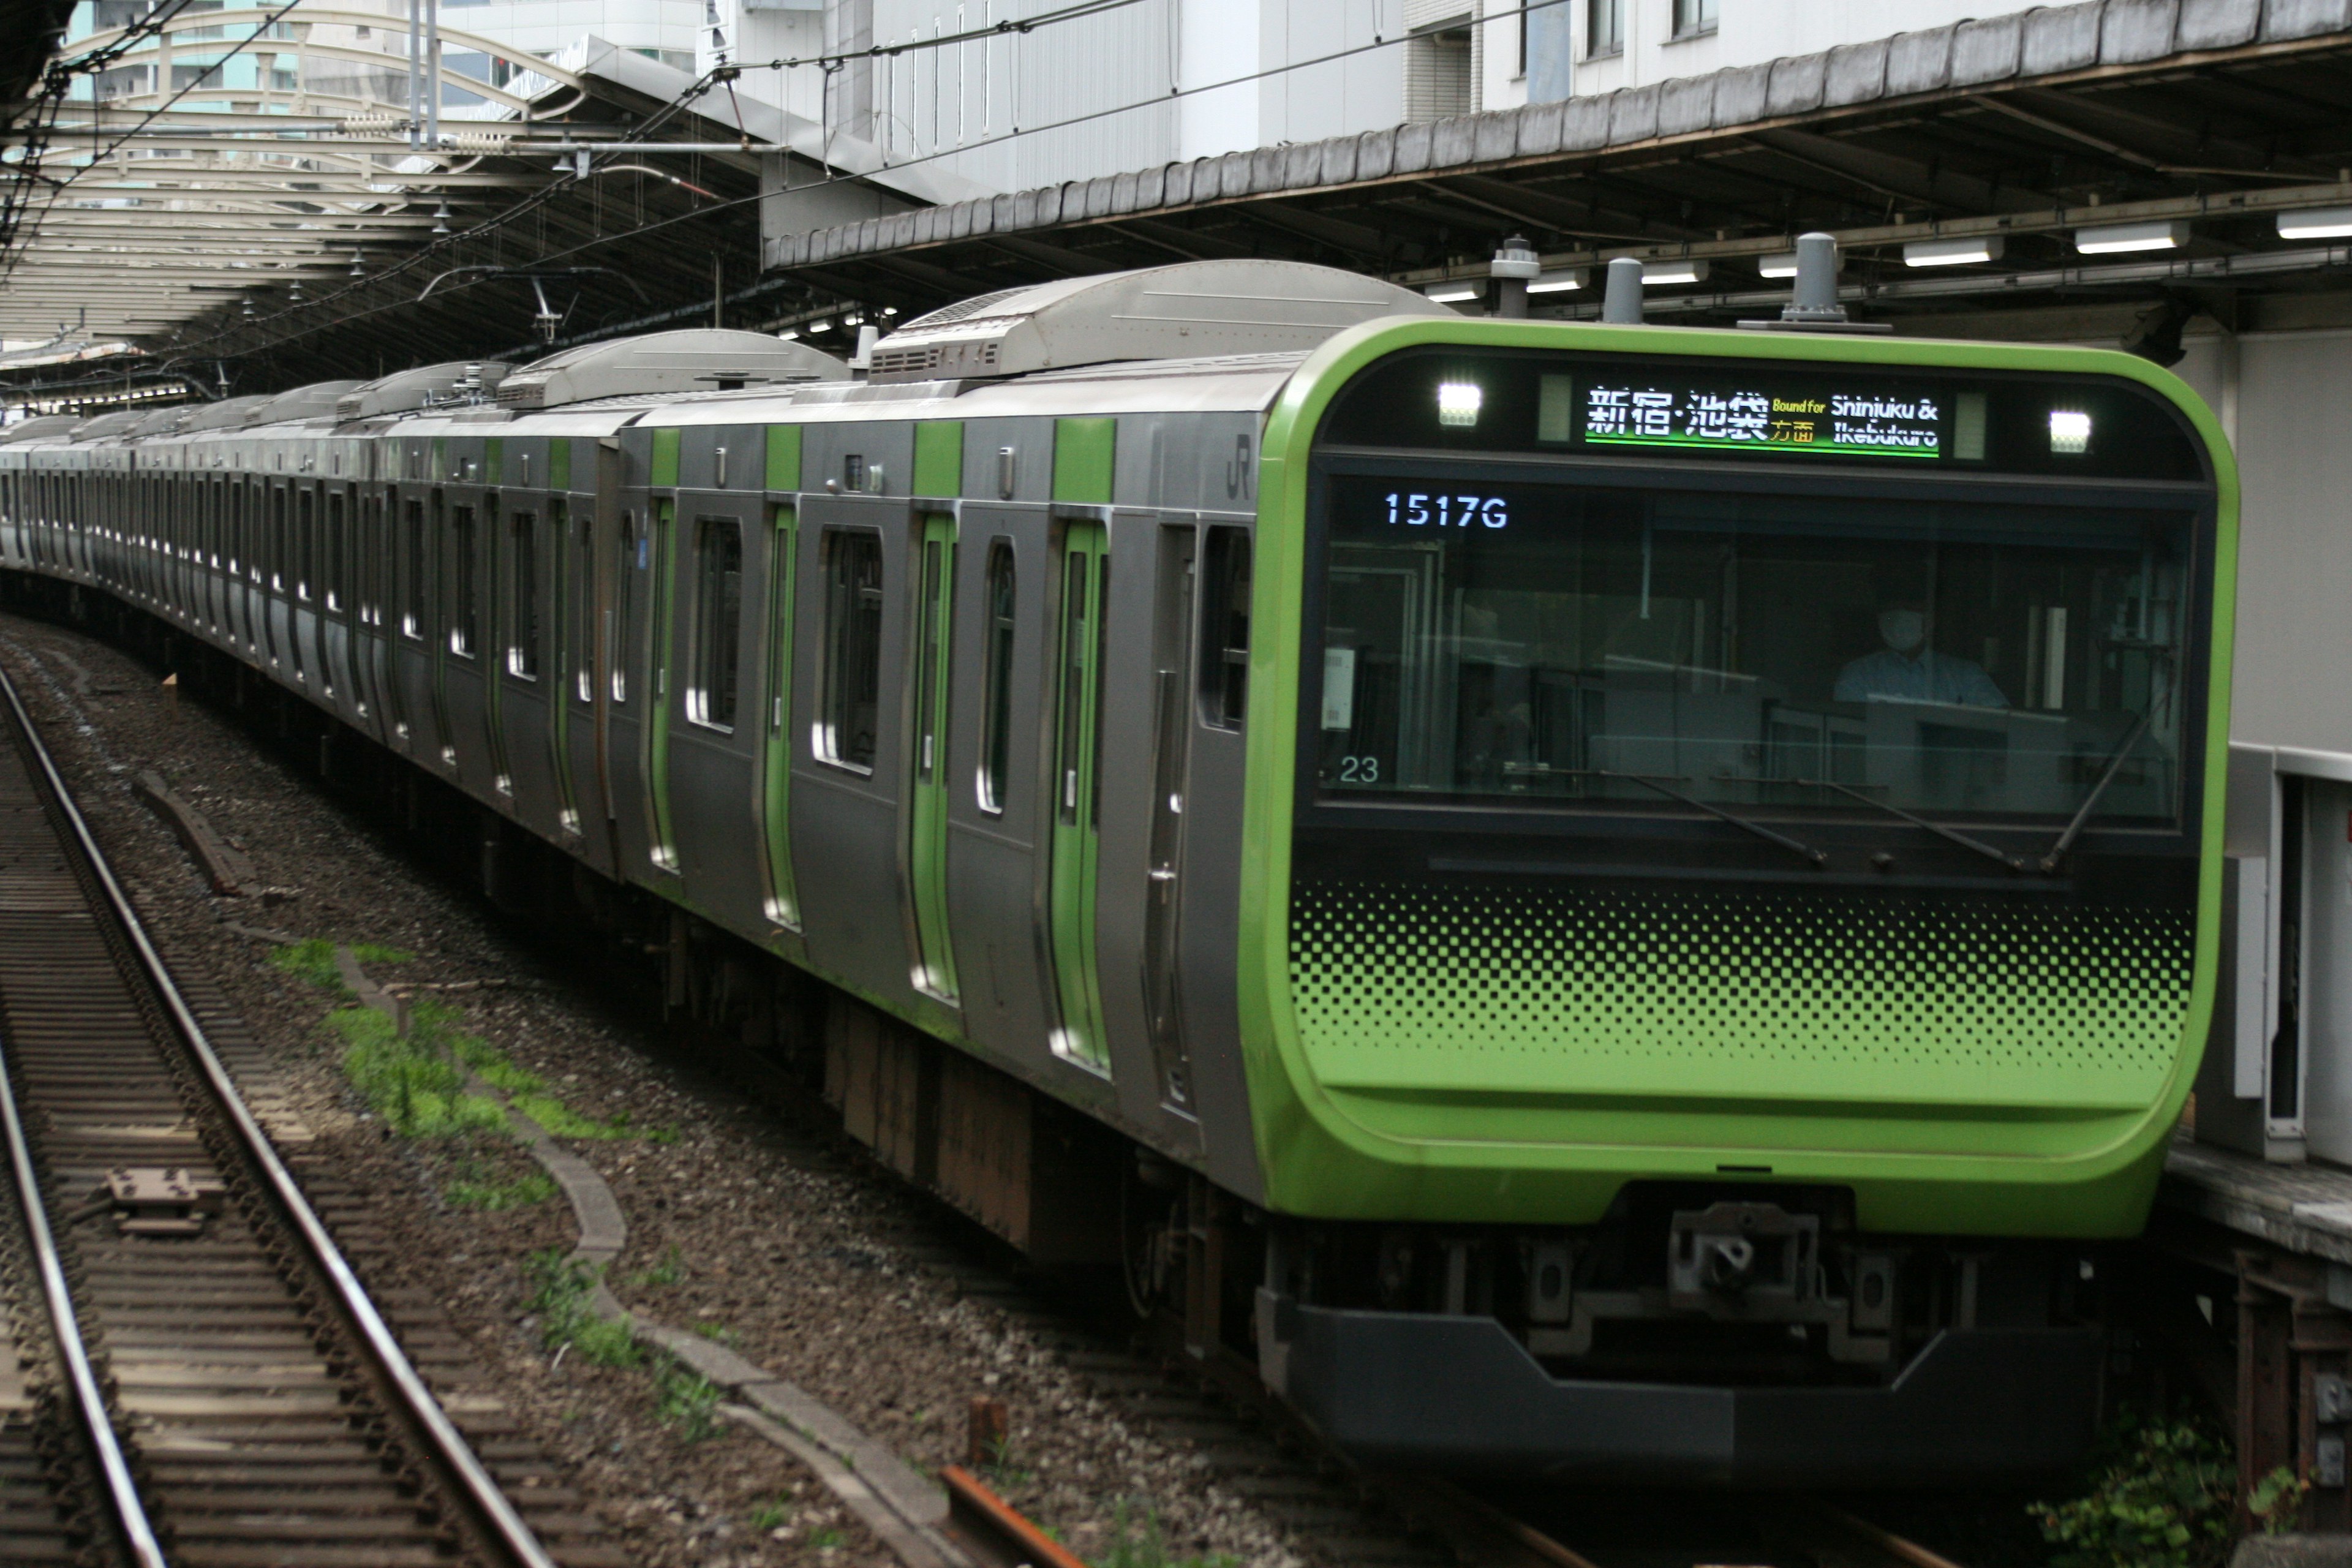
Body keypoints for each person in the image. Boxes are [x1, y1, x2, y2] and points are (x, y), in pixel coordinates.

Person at [1834, 594, 2008, 707]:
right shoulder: (1857, 675)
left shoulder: (1965, 675)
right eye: (1891, 609)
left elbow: (1998, 721)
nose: (1899, 618)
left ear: (1930, 620)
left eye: (1910, 607)